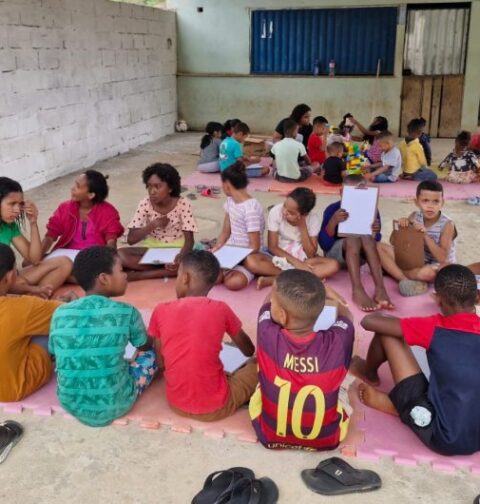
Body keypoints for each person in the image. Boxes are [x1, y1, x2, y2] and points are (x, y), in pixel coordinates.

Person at [350, 265, 480, 456]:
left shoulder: (435, 326)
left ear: (439, 300)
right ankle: (400, 405)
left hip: (443, 437)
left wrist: (385, 316)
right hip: (476, 438)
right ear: (477, 297)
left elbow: (368, 322)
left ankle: (371, 376)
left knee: (388, 332)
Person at [49, 246, 158, 427]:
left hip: (70, 401)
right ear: (104, 278)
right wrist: (153, 336)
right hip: (118, 401)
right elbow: (144, 345)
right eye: (121, 270)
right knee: (151, 354)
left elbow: (54, 352)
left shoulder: (60, 312)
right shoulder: (127, 312)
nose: (125, 275)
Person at [249, 269, 354, 450]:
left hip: (268, 435)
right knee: (343, 378)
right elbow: (347, 316)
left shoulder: (267, 333)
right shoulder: (337, 342)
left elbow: (266, 303)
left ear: (282, 315)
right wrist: (324, 292)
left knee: (262, 378)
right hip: (328, 440)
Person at [149, 250, 257, 421]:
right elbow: (249, 350)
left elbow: (161, 363)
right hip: (217, 407)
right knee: (258, 365)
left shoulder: (160, 310)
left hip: (176, 403)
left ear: (185, 278)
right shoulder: (221, 309)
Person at [319, 174, 393, 311]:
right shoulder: (332, 209)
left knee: (367, 238)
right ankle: (357, 289)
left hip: (359, 258)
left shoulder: (372, 209)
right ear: (342, 192)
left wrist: (375, 231)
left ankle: (380, 288)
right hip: (336, 256)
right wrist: (333, 221)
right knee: (352, 239)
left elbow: (375, 240)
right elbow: (324, 244)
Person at [0, 244, 62, 402]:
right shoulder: (22, 307)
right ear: (10, 276)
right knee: (52, 327)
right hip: (12, 389)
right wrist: (68, 302)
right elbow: (69, 314)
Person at [118, 163, 198, 281]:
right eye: (149, 187)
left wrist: (180, 257)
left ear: (170, 188)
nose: (152, 191)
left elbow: (189, 241)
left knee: (189, 262)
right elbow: (131, 239)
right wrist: (153, 224)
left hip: (177, 250)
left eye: (157, 186)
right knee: (120, 255)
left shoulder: (183, 204)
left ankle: (140, 275)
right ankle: (166, 270)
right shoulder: (145, 204)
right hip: (151, 250)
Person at [377, 181, 456, 293]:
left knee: (429, 273)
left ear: (442, 203)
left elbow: (443, 258)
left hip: (435, 265)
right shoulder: (415, 216)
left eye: (436, 201)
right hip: (416, 259)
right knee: (379, 246)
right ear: (417, 202)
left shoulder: (447, 224)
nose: (430, 206)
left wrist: (425, 236)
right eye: (425, 201)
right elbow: (394, 242)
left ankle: (393, 270)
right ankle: (404, 279)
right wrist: (401, 227)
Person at [0, 177, 72, 298]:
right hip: (4, 282)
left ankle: (33, 300)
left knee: (64, 263)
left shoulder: (9, 226)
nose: (17, 210)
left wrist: (33, 223)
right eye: (12, 204)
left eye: (20, 204)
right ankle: (34, 299)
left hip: (9, 280)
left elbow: (34, 259)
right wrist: (32, 288)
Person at [212, 162, 280, 290]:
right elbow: (225, 232)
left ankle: (277, 274)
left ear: (227, 185)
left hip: (247, 256)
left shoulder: (250, 209)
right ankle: (231, 270)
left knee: (233, 283)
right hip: (231, 252)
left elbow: (254, 246)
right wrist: (218, 248)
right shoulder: (230, 202)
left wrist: (235, 259)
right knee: (211, 277)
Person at [257, 188, 340, 288]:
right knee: (253, 262)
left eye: (291, 212)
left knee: (333, 265)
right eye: (284, 206)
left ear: (304, 214)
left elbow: (310, 253)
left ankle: (275, 279)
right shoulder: (276, 212)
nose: (285, 212)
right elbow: (272, 247)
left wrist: (302, 226)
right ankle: (301, 276)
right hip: (280, 256)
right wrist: (298, 264)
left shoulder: (312, 219)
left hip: (304, 258)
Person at [42, 170, 124, 254]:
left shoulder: (108, 212)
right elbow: (50, 235)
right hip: (65, 253)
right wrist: (38, 255)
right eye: (74, 184)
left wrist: (108, 258)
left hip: (93, 256)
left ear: (91, 195)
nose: (72, 188)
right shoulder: (65, 208)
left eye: (77, 186)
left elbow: (111, 241)